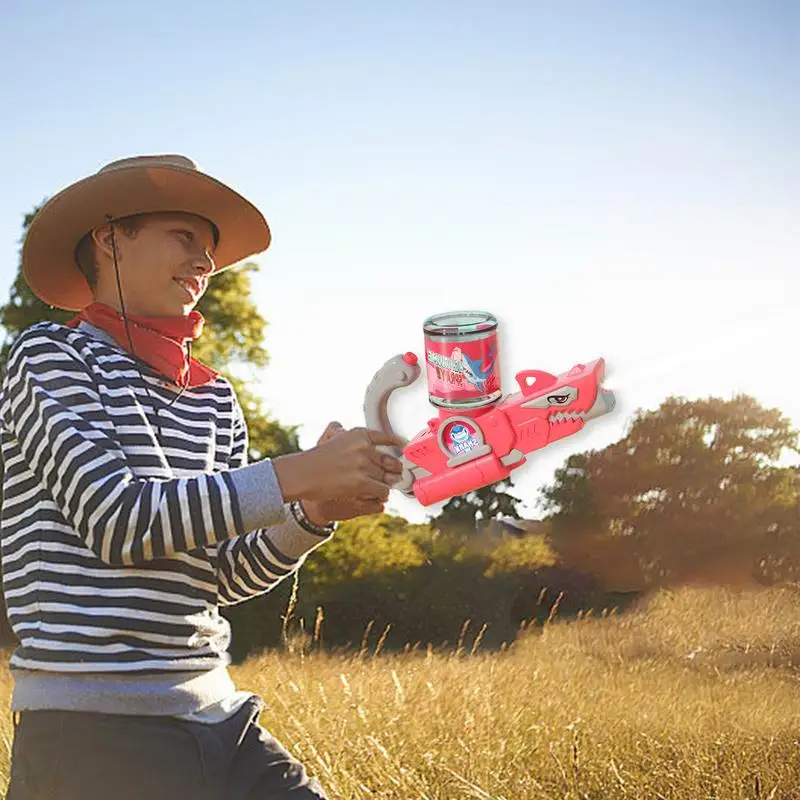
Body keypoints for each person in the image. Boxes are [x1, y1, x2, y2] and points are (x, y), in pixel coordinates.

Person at [0, 154, 405, 799]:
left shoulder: (214, 399)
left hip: (217, 715)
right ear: (111, 238)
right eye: (184, 237)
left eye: (209, 250)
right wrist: (300, 471)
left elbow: (218, 576)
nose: (205, 262)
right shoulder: (48, 356)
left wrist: (313, 515)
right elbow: (119, 523)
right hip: (91, 731)